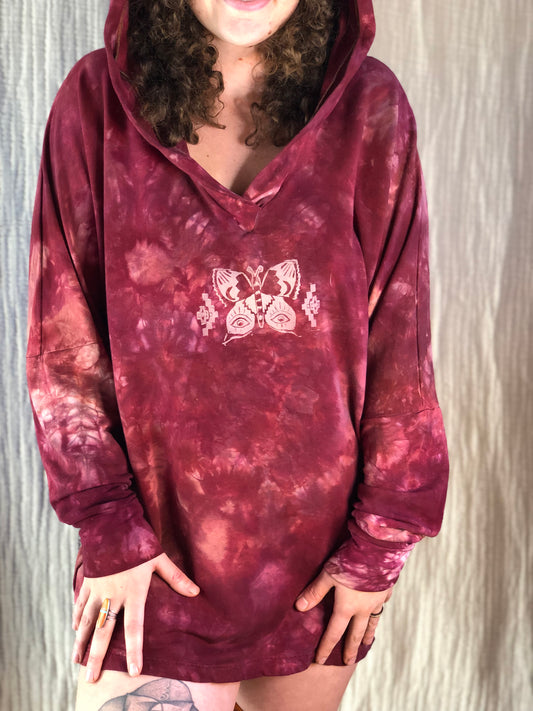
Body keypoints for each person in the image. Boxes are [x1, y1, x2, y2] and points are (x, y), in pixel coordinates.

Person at [26, 0, 449, 709]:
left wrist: (379, 543)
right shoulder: (97, 103)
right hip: (151, 560)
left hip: (318, 562)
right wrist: (109, 527)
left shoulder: (367, 107)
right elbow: (63, 344)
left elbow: (400, 346)